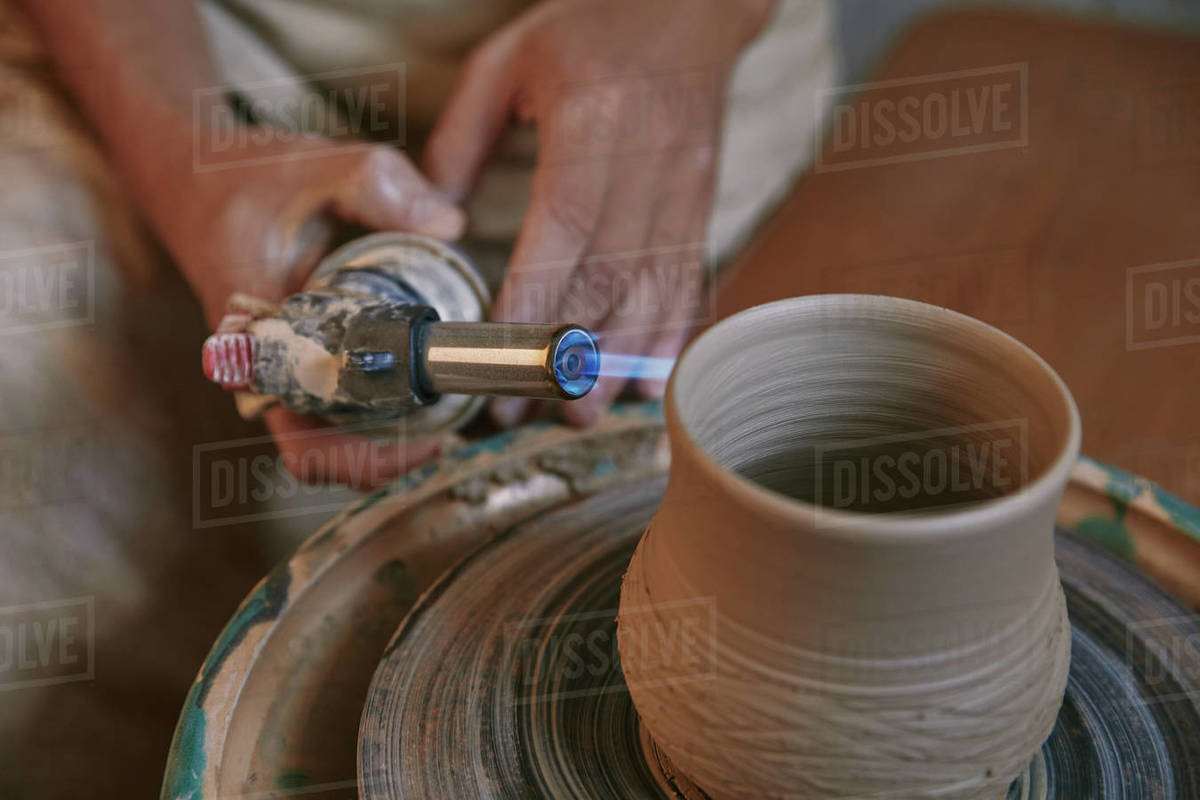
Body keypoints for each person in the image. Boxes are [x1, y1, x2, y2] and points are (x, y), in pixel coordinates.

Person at [0, 0, 833, 796]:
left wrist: (690, 19)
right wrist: (188, 159)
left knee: (744, 534)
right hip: (203, 72)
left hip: (661, 125)